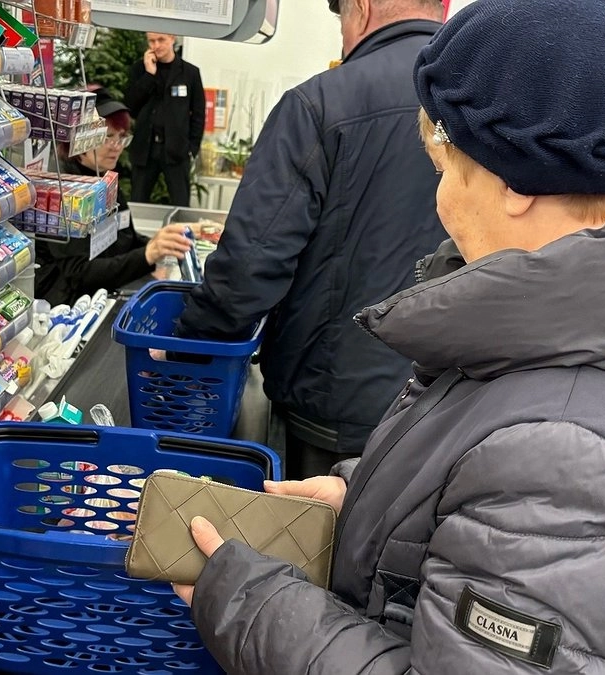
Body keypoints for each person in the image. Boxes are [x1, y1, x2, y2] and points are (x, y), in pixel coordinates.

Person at [170, 1, 605, 673]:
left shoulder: (579, 466)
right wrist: (373, 511)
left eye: (445, 166)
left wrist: (250, 604)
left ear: (515, 181)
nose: (441, 199)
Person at [171, 0, 446, 478]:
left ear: (361, 8)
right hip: (450, 407)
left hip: (334, 408)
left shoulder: (322, 103)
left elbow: (251, 265)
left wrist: (187, 350)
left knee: (320, 525)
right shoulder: (487, 104)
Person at [34, 89, 193, 305]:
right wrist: (148, 254)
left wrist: (165, 243)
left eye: (121, 137)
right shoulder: (63, 192)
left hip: (105, 292)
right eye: (107, 137)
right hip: (68, 306)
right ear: (79, 138)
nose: (116, 147)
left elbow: (127, 238)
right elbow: (78, 273)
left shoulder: (104, 178)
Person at [125, 32, 204, 207]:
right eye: (151, 41)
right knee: (138, 203)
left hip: (177, 151)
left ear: (172, 38)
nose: (156, 45)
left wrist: (192, 148)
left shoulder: (190, 73)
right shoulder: (139, 69)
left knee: (181, 203)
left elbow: (198, 114)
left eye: (161, 40)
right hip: (145, 150)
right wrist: (149, 75)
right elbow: (131, 106)